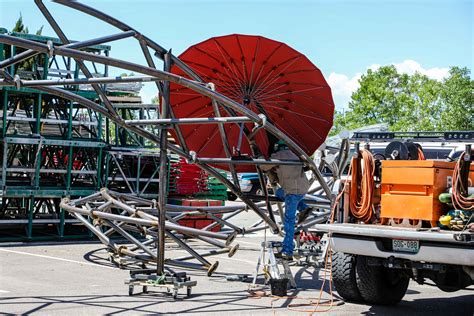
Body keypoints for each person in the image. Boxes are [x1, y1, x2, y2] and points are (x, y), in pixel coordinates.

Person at [261, 141, 310, 260]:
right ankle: (303, 207)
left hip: (292, 192)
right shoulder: (296, 154)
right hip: (301, 189)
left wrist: (259, 158)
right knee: (279, 192)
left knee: (289, 223)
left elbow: (263, 166)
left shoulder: (279, 156)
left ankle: (287, 251)